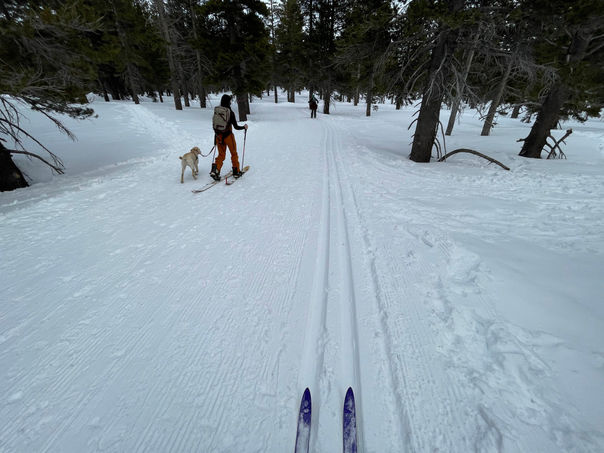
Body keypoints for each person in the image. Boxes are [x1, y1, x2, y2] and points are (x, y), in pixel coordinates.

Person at [210, 94, 248, 181]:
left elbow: (215, 125)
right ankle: (236, 171)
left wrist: (215, 138)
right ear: (228, 102)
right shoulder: (230, 112)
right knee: (233, 153)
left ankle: (215, 170)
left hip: (218, 136)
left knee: (221, 154)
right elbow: (236, 127)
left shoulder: (217, 111)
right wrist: (244, 127)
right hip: (228, 136)